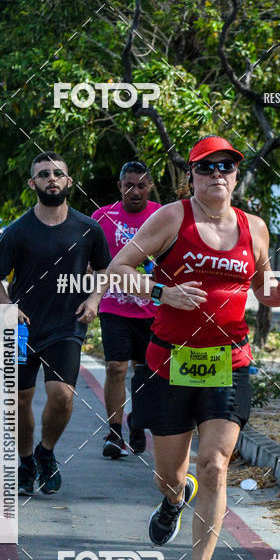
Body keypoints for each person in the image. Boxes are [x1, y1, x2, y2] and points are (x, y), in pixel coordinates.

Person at [82, 135, 280, 560]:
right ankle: (174, 499)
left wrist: (275, 296)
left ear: (236, 176)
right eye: (206, 167)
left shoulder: (255, 228)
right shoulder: (171, 218)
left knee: (216, 465)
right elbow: (117, 269)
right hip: (169, 363)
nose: (217, 174)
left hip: (229, 362)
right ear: (191, 176)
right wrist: (163, 293)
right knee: (168, 475)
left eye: (226, 167)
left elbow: (261, 285)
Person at [0, 151, 111, 496]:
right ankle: (26, 462)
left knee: (62, 397)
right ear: (32, 183)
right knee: (20, 399)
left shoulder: (88, 229)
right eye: (43, 174)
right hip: (21, 328)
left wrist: (94, 299)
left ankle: (46, 452)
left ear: (68, 181)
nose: (51, 179)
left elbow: (104, 270)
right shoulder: (18, 231)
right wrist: (8, 307)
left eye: (57, 174)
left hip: (66, 326)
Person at [92, 161, 160, 458]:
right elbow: (92, 261)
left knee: (145, 372)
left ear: (150, 187)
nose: (135, 191)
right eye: (129, 185)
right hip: (113, 306)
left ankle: (138, 420)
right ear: (120, 186)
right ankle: (114, 432)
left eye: (141, 185)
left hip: (152, 309)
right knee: (115, 367)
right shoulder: (102, 217)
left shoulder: (162, 216)